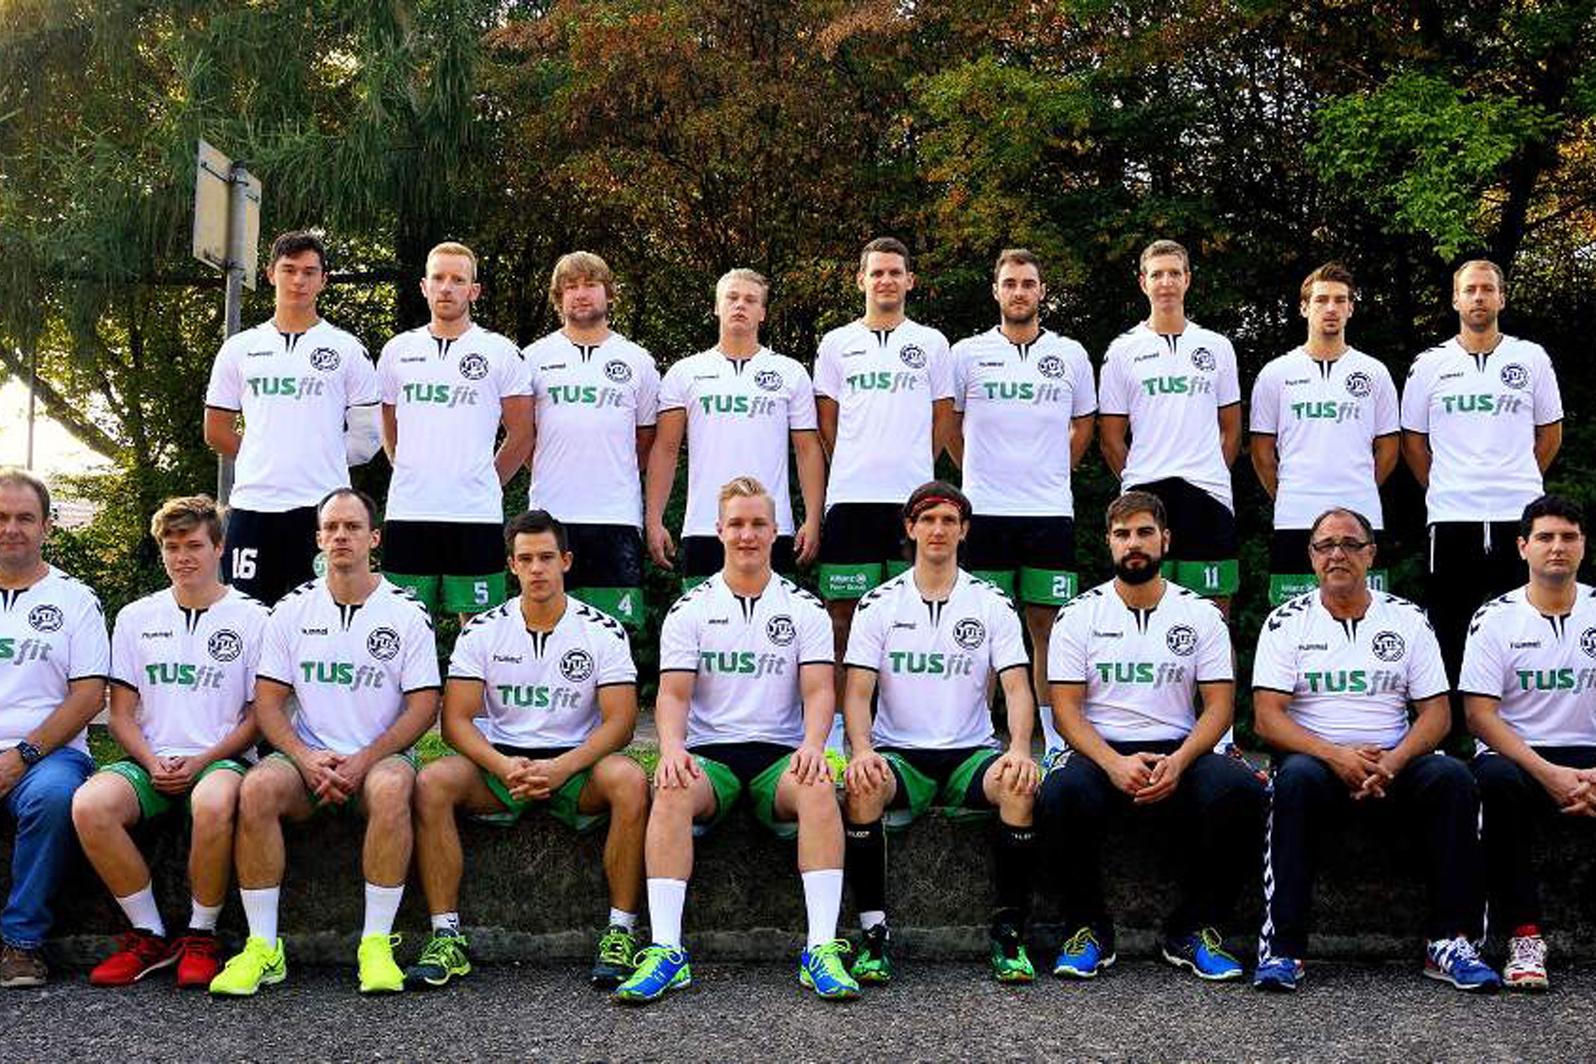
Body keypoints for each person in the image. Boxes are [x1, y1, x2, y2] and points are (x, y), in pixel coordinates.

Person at [614, 477, 854, 1003]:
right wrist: (672, 748)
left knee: (817, 786)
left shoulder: (805, 609)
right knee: (672, 788)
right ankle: (667, 950)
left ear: (776, 533)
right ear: (719, 530)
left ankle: (822, 949)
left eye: (759, 524)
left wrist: (815, 745)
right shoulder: (691, 609)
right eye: (737, 524)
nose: (748, 535)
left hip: (779, 757)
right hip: (711, 757)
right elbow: (673, 696)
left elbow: (819, 691)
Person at [1251, 507, 1498, 992]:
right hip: (1319, 763)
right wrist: (1336, 756)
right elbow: (1267, 719)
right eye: (1325, 546)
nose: (1337, 554)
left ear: (1370, 554)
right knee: (1294, 780)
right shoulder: (1286, 623)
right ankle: (1283, 948)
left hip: (1393, 761)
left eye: (1349, 544)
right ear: (1311, 556)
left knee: (1453, 780)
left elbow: (1437, 714)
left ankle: (1450, 941)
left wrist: (1394, 761)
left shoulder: (1407, 619)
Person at [208, 489, 440, 996]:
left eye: (353, 527)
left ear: (373, 538)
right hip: (307, 758)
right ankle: (263, 947)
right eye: (331, 527)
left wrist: (363, 760)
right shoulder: (290, 610)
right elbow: (268, 703)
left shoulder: (406, 610)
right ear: (317, 538)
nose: (341, 536)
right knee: (257, 790)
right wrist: (305, 757)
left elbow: (425, 706)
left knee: (391, 787)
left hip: (379, 756)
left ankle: (376, 944)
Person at [408, 509, 649, 990]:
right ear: (511, 567)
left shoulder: (602, 630)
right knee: (432, 783)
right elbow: (455, 721)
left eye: (546, 558)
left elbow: (621, 723)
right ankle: (446, 937)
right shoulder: (481, 630)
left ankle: (620, 931)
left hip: (577, 764)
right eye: (525, 559)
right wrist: (500, 764)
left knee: (630, 780)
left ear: (566, 561)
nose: (537, 568)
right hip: (503, 763)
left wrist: (562, 768)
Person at [1039, 491, 1263, 981]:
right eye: (1122, 534)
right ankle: (1088, 929)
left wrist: (1180, 761)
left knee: (1242, 790)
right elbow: (1066, 712)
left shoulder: (1200, 613)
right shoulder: (1079, 614)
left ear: (1166, 539)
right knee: (1058, 791)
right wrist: (1113, 764)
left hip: (1180, 750)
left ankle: (1194, 928)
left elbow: (1221, 707)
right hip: (1102, 751)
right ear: (1108, 544)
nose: (1133, 543)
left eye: (1144, 532)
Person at [841, 481, 1042, 984]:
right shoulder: (878, 603)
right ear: (910, 528)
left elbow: (1018, 688)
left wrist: (1020, 748)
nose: (938, 530)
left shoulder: (992, 602)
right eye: (927, 520)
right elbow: (857, 692)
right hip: (898, 755)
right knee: (863, 784)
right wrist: (861, 749)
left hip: (970, 754)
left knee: (1018, 784)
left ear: (964, 531)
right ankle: (873, 936)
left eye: (948, 521)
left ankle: (1009, 934)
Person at [73, 496, 268, 988]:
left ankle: (201, 934)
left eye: (195, 545)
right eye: (172, 546)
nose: (183, 556)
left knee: (216, 799)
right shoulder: (137, 616)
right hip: (149, 760)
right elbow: (120, 713)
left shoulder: (255, 618)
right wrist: (152, 760)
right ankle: (148, 932)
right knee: (90, 805)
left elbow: (258, 716)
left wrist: (202, 759)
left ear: (219, 547)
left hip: (221, 759)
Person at [1401, 259, 1562, 704]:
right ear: (1455, 299)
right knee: (1451, 628)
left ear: (1502, 298)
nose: (1478, 297)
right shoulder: (1430, 364)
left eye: (1487, 289)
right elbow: (1413, 442)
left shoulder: (1531, 358)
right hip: (1453, 515)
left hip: (1519, 516)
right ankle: (1451, 739)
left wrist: (1517, 478)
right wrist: (1444, 486)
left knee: (1524, 626)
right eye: (1469, 289)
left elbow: (1549, 433)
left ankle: (1520, 732)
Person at [203, 230, 382, 605]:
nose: (298, 280)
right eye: (288, 270)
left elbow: (368, 436)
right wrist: (263, 454)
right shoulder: (240, 348)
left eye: (309, 272)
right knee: (250, 617)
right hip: (253, 507)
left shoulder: (346, 348)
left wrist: (321, 455)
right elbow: (216, 430)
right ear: (270, 274)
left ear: (323, 280)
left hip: (320, 509)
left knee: (320, 616)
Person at [950, 247, 1096, 702]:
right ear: (995, 291)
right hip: (985, 510)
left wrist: (1056, 468)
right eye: (1010, 284)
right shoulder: (967, 354)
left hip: (1049, 511)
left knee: (1047, 627)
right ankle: (974, 735)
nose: (1019, 292)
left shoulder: (1070, 354)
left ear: (1042, 292)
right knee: (981, 629)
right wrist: (974, 471)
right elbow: (950, 426)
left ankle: (1053, 740)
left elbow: (1085, 423)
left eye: (1028, 284)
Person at [1463, 494, 1596, 990]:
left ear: (1583, 546)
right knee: (1493, 780)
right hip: (1519, 754)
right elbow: (1479, 716)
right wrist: (1551, 774)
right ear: (1522, 547)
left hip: (1589, 753)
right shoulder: (1493, 617)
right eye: (1545, 537)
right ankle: (1524, 937)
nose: (1557, 547)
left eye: (1568, 537)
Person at [813, 237, 953, 705]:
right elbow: (826, 423)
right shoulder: (837, 343)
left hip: (910, 503)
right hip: (851, 499)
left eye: (895, 272)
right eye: (877, 272)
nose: (886, 280)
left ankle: (900, 726)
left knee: (909, 618)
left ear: (910, 280)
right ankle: (833, 737)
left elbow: (943, 418)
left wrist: (916, 468)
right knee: (841, 618)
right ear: (861, 280)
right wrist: (855, 460)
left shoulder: (931, 343)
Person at [377, 241, 533, 618]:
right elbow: (388, 426)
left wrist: (486, 481)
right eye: (438, 278)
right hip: (409, 511)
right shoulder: (397, 350)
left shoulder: (500, 351)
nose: (447, 287)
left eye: (457, 279)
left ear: (473, 290)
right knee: (404, 627)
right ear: (424, 286)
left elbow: (522, 435)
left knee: (480, 629)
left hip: (475, 514)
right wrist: (413, 470)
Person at [645, 269, 825, 589]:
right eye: (732, 298)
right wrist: (654, 518)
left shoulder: (790, 372)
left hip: (772, 527)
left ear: (763, 312)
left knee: (772, 629)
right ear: (717, 306)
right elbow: (666, 449)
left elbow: (808, 449)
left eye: (750, 300)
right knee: (706, 631)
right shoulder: (685, 373)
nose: (740, 305)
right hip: (704, 526)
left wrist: (812, 519)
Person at [0, 468, 107, 988]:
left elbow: (88, 695)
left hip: (49, 753)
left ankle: (21, 945)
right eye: (1, 517)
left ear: (46, 526)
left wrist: (22, 755)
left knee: (53, 798)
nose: (11, 528)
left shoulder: (75, 599)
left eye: (24, 517)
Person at [1098, 240, 1242, 607]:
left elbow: (1231, 428)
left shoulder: (1217, 346)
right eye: (1157, 274)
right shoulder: (1122, 350)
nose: (1166, 282)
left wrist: (1209, 471)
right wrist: (1136, 480)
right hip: (1144, 490)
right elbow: (1111, 438)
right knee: (1141, 608)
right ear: (1143, 282)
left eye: (1174, 273)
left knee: (1213, 615)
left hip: (1207, 493)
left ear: (1187, 280)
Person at [523, 252, 660, 629]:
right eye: (571, 287)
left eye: (590, 285)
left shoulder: (637, 360)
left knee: (616, 633)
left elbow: (647, 437)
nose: (581, 294)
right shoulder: (532, 358)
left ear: (609, 293)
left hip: (615, 516)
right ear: (558, 298)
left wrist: (612, 470)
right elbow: (523, 436)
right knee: (547, 627)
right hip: (551, 515)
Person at [1250, 264, 1400, 605]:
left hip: (1362, 516)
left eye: (1339, 300)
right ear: (1304, 307)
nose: (1330, 308)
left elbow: (1389, 447)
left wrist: (1357, 486)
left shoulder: (1374, 373)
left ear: (1351, 307)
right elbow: (1261, 452)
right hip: (1294, 517)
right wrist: (1290, 493)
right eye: (1321, 300)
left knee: (1368, 615)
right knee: (1293, 621)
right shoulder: (1276, 374)